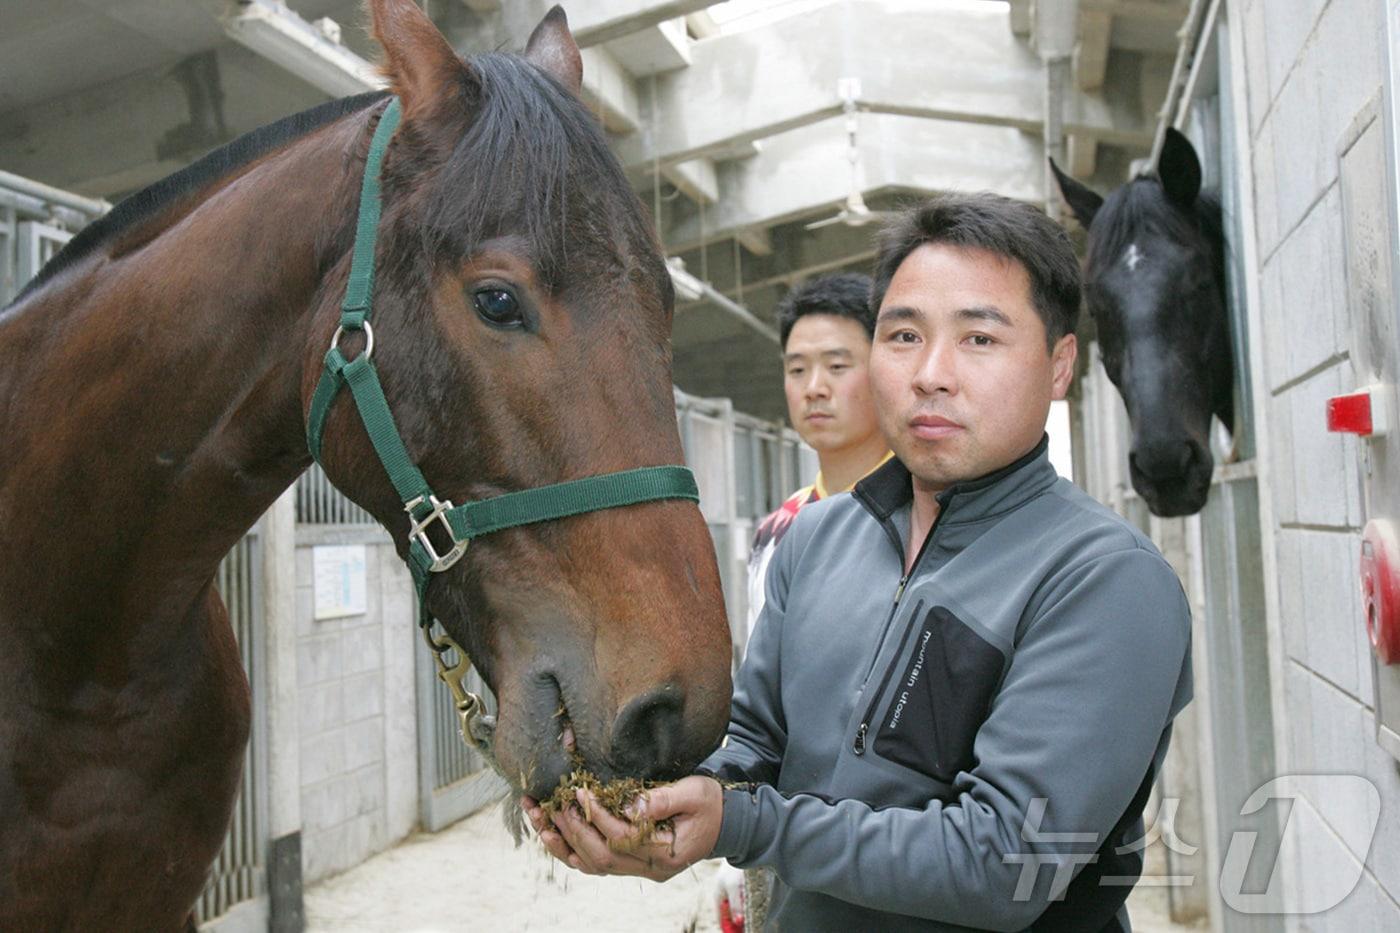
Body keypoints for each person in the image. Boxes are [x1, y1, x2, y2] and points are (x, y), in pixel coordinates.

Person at [523, 192, 1194, 933]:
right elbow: (755, 743)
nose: (931, 373)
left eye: (979, 339)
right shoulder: (817, 540)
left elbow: (1006, 862)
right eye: (903, 335)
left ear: (1060, 364)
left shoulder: (1105, 579)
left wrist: (747, 826)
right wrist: (655, 810)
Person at [744, 271, 891, 655]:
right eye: (797, 370)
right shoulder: (775, 531)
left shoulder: (929, 514)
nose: (813, 388)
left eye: (837, 367)